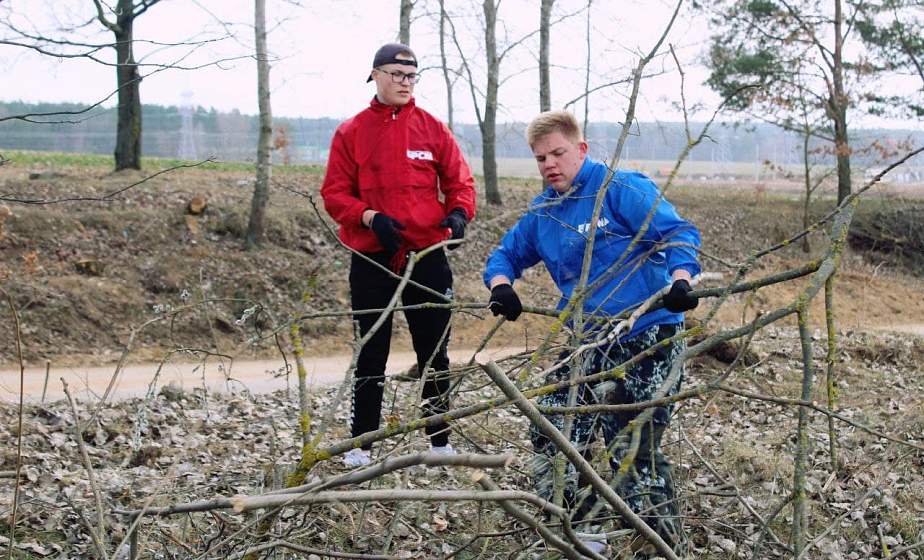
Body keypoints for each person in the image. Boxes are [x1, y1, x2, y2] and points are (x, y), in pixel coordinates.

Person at [483, 111, 700, 557]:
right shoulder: (544, 210)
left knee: (631, 443)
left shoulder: (620, 189)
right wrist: (501, 287)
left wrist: (681, 279)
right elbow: (506, 254)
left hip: (646, 335)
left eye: (558, 153)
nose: (550, 164)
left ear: (581, 149)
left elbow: (678, 232)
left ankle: (659, 542)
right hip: (585, 340)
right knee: (553, 430)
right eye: (541, 158)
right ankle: (580, 528)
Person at [321, 43, 476, 467]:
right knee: (371, 351)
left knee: (435, 351)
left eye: (412, 76)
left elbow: (460, 182)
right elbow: (334, 194)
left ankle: (440, 441)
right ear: (375, 75)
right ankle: (362, 445)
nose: (405, 83)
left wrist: (460, 213)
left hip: (427, 257)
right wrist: (368, 217)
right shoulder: (350, 132)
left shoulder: (432, 128)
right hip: (373, 259)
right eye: (396, 74)